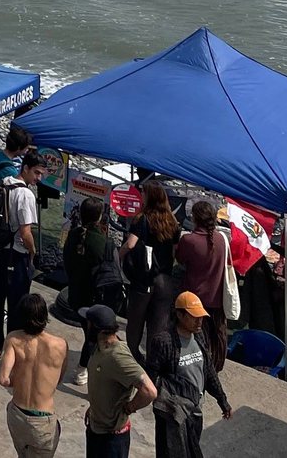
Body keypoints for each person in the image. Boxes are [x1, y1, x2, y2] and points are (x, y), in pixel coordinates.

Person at [142, 292, 232, 458]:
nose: (199, 321)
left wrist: (222, 400)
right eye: (194, 317)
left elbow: (209, 370)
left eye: (201, 317)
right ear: (179, 314)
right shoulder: (163, 341)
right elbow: (151, 378)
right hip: (172, 415)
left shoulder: (198, 336)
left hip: (194, 411)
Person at [61, 198, 125, 384]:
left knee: (89, 333)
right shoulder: (106, 244)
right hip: (96, 298)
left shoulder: (72, 235)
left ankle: (85, 368)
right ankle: (82, 369)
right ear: (100, 217)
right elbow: (114, 272)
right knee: (94, 336)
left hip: (75, 295)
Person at [0, 291, 68, 458]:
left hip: (17, 414)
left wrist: (19, 381)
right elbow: (59, 379)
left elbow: (3, 378)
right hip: (43, 421)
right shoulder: (60, 345)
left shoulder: (13, 340)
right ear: (44, 316)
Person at [0, 153, 42, 358]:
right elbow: (25, 231)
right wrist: (33, 251)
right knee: (17, 304)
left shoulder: (5, 182)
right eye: (36, 172)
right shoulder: (26, 195)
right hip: (17, 253)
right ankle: (12, 348)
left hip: (0, 248)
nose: (38, 178)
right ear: (25, 168)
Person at [83, 304, 155, 458]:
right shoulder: (98, 347)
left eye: (88, 323)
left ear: (98, 329)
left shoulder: (118, 357)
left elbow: (149, 391)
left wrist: (130, 407)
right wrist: (95, 408)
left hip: (112, 439)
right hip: (96, 429)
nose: (85, 326)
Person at [122, 180, 184, 360]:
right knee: (157, 326)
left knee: (135, 323)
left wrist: (119, 257)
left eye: (143, 193)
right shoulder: (173, 222)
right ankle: (152, 363)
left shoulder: (142, 218)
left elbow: (130, 244)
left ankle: (133, 357)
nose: (141, 195)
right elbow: (175, 251)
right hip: (164, 279)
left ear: (150, 196)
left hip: (143, 279)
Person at [174, 200, 230, 371]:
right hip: (216, 300)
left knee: (194, 342)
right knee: (214, 342)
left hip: (194, 300)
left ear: (195, 217)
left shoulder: (190, 240)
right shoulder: (221, 239)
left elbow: (180, 259)